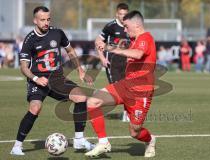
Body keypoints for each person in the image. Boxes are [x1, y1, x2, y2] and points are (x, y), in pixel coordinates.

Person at [10, 6, 95, 155]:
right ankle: (17, 146)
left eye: (48, 19)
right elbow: (23, 67)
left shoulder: (57, 33)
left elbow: (70, 51)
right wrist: (36, 78)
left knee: (81, 97)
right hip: (37, 80)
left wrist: (80, 70)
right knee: (35, 108)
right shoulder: (30, 40)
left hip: (57, 78)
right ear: (35, 20)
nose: (46, 22)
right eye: (42, 20)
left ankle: (79, 139)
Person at [85, 10, 156, 158]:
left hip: (141, 93)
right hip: (125, 86)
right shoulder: (134, 40)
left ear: (136, 24)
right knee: (92, 101)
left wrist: (111, 48)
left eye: (126, 26)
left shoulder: (146, 37)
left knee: (134, 132)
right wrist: (102, 45)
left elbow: (137, 54)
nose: (124, 29)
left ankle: (150, 140)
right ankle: (103, 143)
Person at [95, 3, 130, 122]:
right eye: (121, 14)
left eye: (125, 14)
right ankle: (94, 101)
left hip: (126, 62)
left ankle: (127, 114)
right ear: (117, 14)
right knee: (117, 90)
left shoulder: (130, 26)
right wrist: (102, 58)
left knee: (128, 88)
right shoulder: (110, 26)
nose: (123, 16)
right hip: (112, 63)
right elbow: (98, 41)